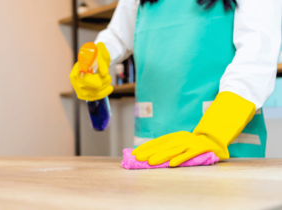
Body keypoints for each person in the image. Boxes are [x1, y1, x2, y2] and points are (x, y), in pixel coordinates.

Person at [70, 0, 282, 166]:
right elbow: (117, 34)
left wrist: (214, 132)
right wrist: (99, 57)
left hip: (229, 149)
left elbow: (257, 56)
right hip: (152, 149)